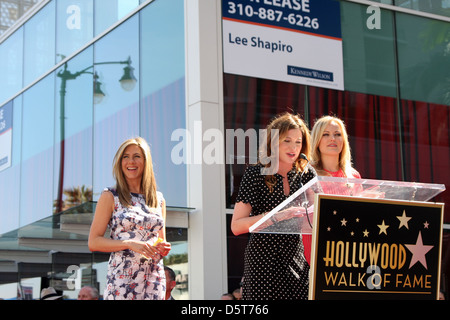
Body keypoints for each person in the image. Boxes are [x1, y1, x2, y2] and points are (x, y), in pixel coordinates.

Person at [231, 112, 316, 300]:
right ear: (273, 142)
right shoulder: (256, 173)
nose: (293, 147)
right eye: (287, 140)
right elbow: (237, 226)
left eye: (298, 142)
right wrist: (277, 215)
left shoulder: (306, 174)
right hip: (263, 261)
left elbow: (313, 220)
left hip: (296, 258)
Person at [88, 137, 171, 300]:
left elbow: (161, 242)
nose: (130, 161)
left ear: (146, 161)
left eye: (137, 156)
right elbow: (93, 242)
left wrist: (163, 248)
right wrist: (129, 244)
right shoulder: (110, 196)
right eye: (125, 156)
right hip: (122, 283)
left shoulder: (159, 199)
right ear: (120, 162)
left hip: (154, 282)